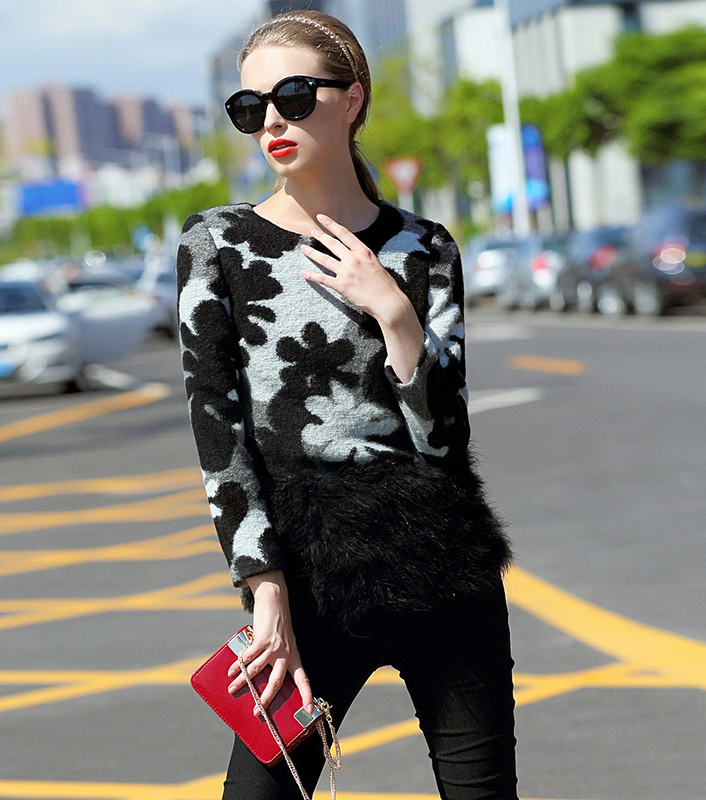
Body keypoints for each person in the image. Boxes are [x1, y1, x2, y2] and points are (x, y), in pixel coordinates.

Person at [176, 10, 519, 799]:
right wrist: (263, 585)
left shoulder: (423, 248)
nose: (271, 121)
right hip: (307, 580)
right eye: (249, 106)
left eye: (294, 97)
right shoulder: (217, 242)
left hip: (442, 561)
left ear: (353, 98)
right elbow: (215, 426)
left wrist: (393, 311)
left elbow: (443, 438)